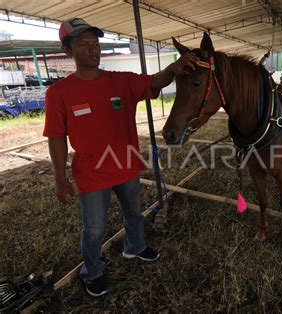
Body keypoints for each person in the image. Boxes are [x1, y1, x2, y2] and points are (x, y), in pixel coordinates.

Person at [43, 18, 198, 297]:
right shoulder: (59, 93)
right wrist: (59, 177)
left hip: (126, 164)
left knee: (134, 214)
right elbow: (55, 136)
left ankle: (134, 247)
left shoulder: (121, 81)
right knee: (94, 228)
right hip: (92, 172)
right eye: (83, 44)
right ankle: (92, 271)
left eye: (95, 43)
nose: (93, 49)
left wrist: (175, 68)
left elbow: (155, 81)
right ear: (68, 52)